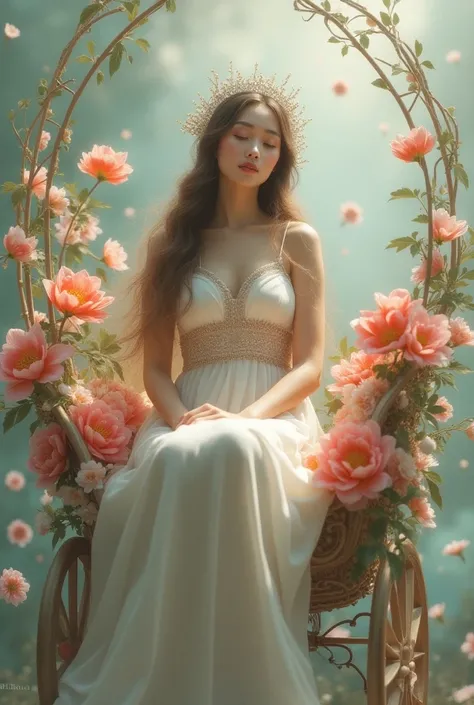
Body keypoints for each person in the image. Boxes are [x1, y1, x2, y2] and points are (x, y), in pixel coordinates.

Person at [53, 63, 334, 705]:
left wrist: (247, 419)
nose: (255, 151)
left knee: (233, 448)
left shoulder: (298, 240)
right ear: (215, 142)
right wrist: (180, 419)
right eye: (243, 135)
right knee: (187, 455)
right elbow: (156, 368)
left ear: (280, 158)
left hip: (275, 415)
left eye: (270, 142)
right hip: (186, 412)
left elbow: (311, 365)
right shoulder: (172, 244)